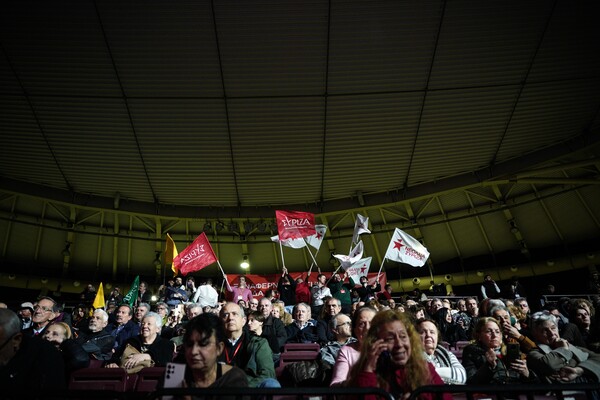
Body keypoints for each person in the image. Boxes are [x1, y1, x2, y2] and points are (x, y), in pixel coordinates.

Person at [347, 309, 451, 400]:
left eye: (403, 336)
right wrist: (368, 369)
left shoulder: (425, 369)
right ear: (375, 343)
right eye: (390, 338)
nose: (399, 344)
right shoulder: (364, 375)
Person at [178, 313, 248, 394]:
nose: (194, 351)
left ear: (219, 348)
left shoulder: (234, 379)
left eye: (203, 344)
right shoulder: (175, 377)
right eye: (189, 344)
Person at [527, 311, 600, 389]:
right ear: (535, 335)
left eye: (553, 328)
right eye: (545, 330)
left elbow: (598, 358)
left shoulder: (574, 347)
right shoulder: (534, 354)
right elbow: (550, 365)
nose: (552, 333)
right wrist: (563, 349)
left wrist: (578, 370)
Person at [0, 309, 66, 393]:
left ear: (16, 340)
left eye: (55, 334)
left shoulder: (46, 356)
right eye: (47, 332)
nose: (38, 311)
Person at [219, 302, 279, 388]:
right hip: (220, 389)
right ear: (221, 321)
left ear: (243, 321)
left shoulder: (258, 343)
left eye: (235, 314)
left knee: (271, 384)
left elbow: (267, 374)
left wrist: (242, 387)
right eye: (225, 315)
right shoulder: (213, 344)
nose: (230, 318)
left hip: (249, 388)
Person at [462, 317, 535, 385]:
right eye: (488, 331)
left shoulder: (511, 349)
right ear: (479, 335)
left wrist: (527, 374)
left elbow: (533, 384)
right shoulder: (472, 352)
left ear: (501, 335)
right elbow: (472, 382)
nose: (494, 335)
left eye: (497, 332)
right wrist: (489, 366)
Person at [106, 312, 174, 370]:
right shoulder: (131, 341)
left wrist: (148, 356)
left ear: (158, 329)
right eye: (143, 324)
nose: (144, 326)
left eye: (149, 324)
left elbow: (166, 362)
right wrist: (113, 363)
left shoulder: (166, 344)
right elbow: (116, 356)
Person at [330, 306, 376, 386]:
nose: (367, 328)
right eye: (362, 324)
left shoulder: (388, 349)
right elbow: (335, 385)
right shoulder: (346, 351)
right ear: (354, 329)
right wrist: (360, 382)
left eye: (372, 323)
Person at [416, 319, 466, 385]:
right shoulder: (413, 356)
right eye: (423, 332)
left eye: (432, 332)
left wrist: (432, 373)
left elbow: (462, 376)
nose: (428, 335)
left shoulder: (448, 355)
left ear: (437, 337)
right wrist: (449, 376)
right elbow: (419, 376)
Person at [257, 298, 287, 362]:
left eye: (266, 305)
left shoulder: (277, 322)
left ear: (271, 308)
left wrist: (267, 347)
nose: (264, 307)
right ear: (258, 308)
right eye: (261, 306)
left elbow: (282, 337)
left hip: (272, 352)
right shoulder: (253, 321)